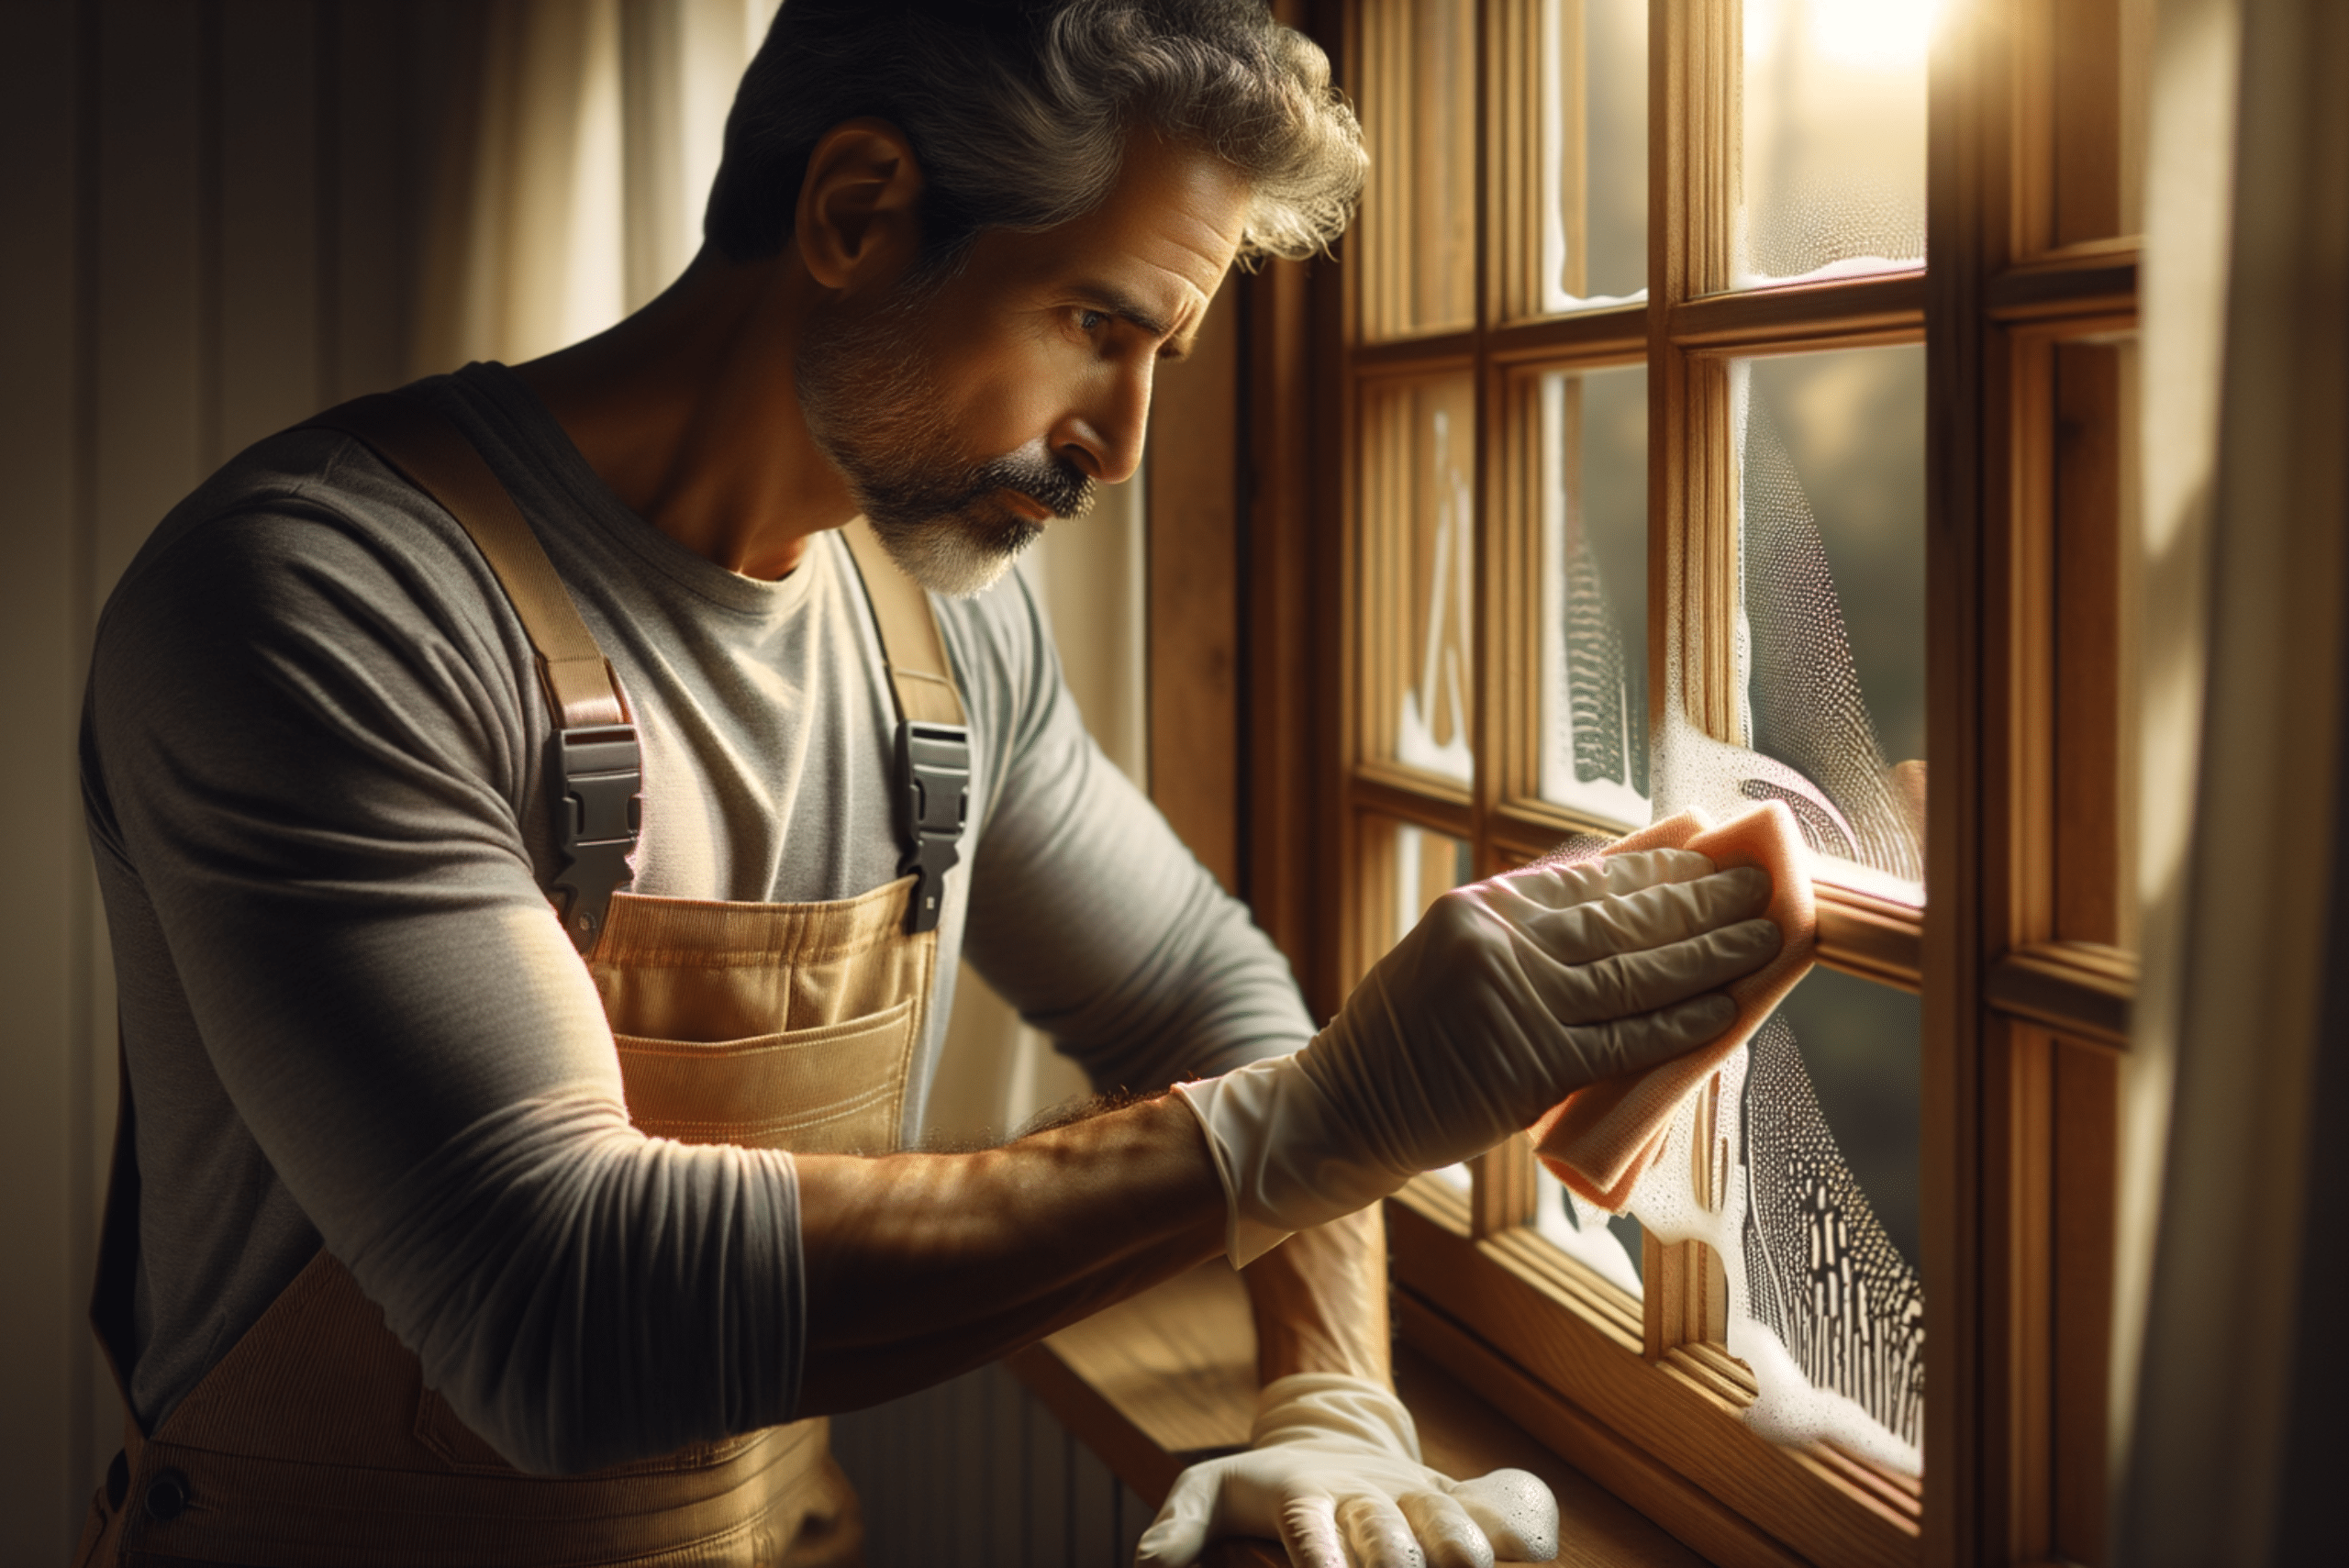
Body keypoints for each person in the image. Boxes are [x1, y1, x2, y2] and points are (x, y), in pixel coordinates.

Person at [72, 2, 1780, 1565]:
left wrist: (1334, 1397)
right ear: (856, 212)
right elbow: (555, 1311)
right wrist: (1320, 1125)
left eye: (1161, 357)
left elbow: (1203, 992)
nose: (1120, 442)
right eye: (1098, 326)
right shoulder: (324, 601)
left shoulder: (945, 645)